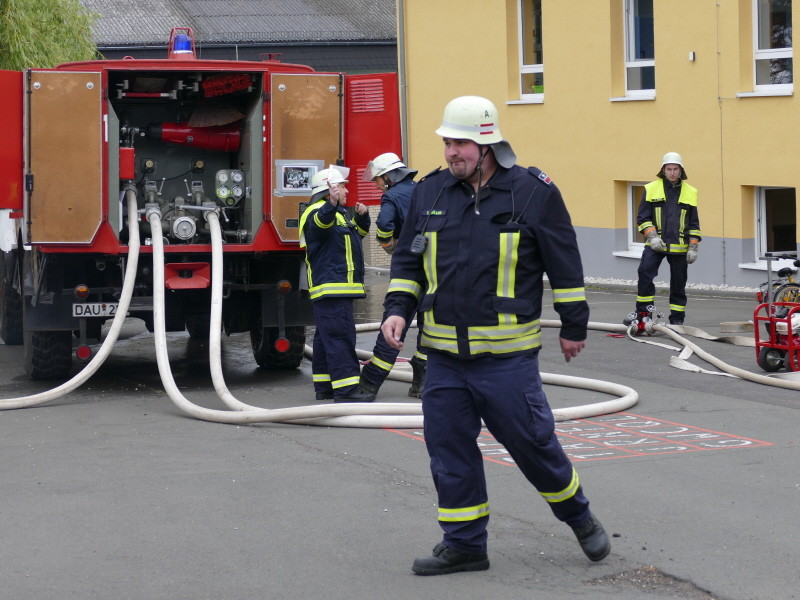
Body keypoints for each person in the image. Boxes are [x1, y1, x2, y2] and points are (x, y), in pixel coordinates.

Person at [380, 96, 610, 575]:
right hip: (442, 358)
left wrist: (574, 326)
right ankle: (464, 543)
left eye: (459, 143)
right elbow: (407, 260)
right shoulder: (430, 193)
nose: (450, 153)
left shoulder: (532, 192)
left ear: (487, 143)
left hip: (506, 361)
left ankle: (579, 517)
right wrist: (397, 309)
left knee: (534, 446)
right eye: (446, 142)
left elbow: (564, 264)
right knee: (447, 451)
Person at [299, 165, 375, 403]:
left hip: (339, 289)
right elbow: (320, 226)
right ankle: (347, 390)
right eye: (342, 185)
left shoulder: (342, 214)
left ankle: (325, 387)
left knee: (325, 339)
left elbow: (357, 236)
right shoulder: (316, 211)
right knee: (341, 338)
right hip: (332, 289)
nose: (347, 189)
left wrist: (362, 217)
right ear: (329, 189)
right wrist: (331, 204)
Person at [358, 152, 427, 399]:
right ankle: (421, 383)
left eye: (378, 179)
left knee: (394, 324)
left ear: (388, 177)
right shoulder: (423, 190)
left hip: (406, 270)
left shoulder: (391, 196)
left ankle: (368, 385)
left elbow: (385, 225)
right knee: (428, 325)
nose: (376, 184)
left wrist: (390, 246)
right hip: (432, 270)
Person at [623, 152, 702, 327]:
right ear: (663, 170)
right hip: (655, 245)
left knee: (678, 283)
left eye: (675, 169)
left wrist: (693, 247)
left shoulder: (690, 192)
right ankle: (643, 314)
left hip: (680, 247)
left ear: (681, 170)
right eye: (669, 169)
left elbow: (694, 223)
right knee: (644, 273)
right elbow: (643, 218)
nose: (672, 172)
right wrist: (652, 237)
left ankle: (677, 320)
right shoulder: (651, 188)